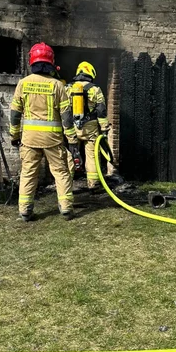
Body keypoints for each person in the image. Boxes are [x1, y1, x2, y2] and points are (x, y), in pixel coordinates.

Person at [10, 42, 79, 221]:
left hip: (29, 139)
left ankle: (25, 211)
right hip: (53, 140)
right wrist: (71, 140)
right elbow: (66, 117)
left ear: (31, 61)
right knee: (61, 172)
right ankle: (66, 209)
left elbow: (15, 114)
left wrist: (14, 135)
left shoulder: (23, 83)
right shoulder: (58, 85)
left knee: (28, 173)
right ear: (50, 62)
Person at [66, 61, 110, 191]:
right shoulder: (95, 89)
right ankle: (93, 184)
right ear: (91, 72)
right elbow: (101, 110)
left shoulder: (68, 88)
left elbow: (64, 110)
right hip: (90, 127)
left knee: (71, 154)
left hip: (72, 126)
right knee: (92, 155)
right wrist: (104, 128)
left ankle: (67, 185)